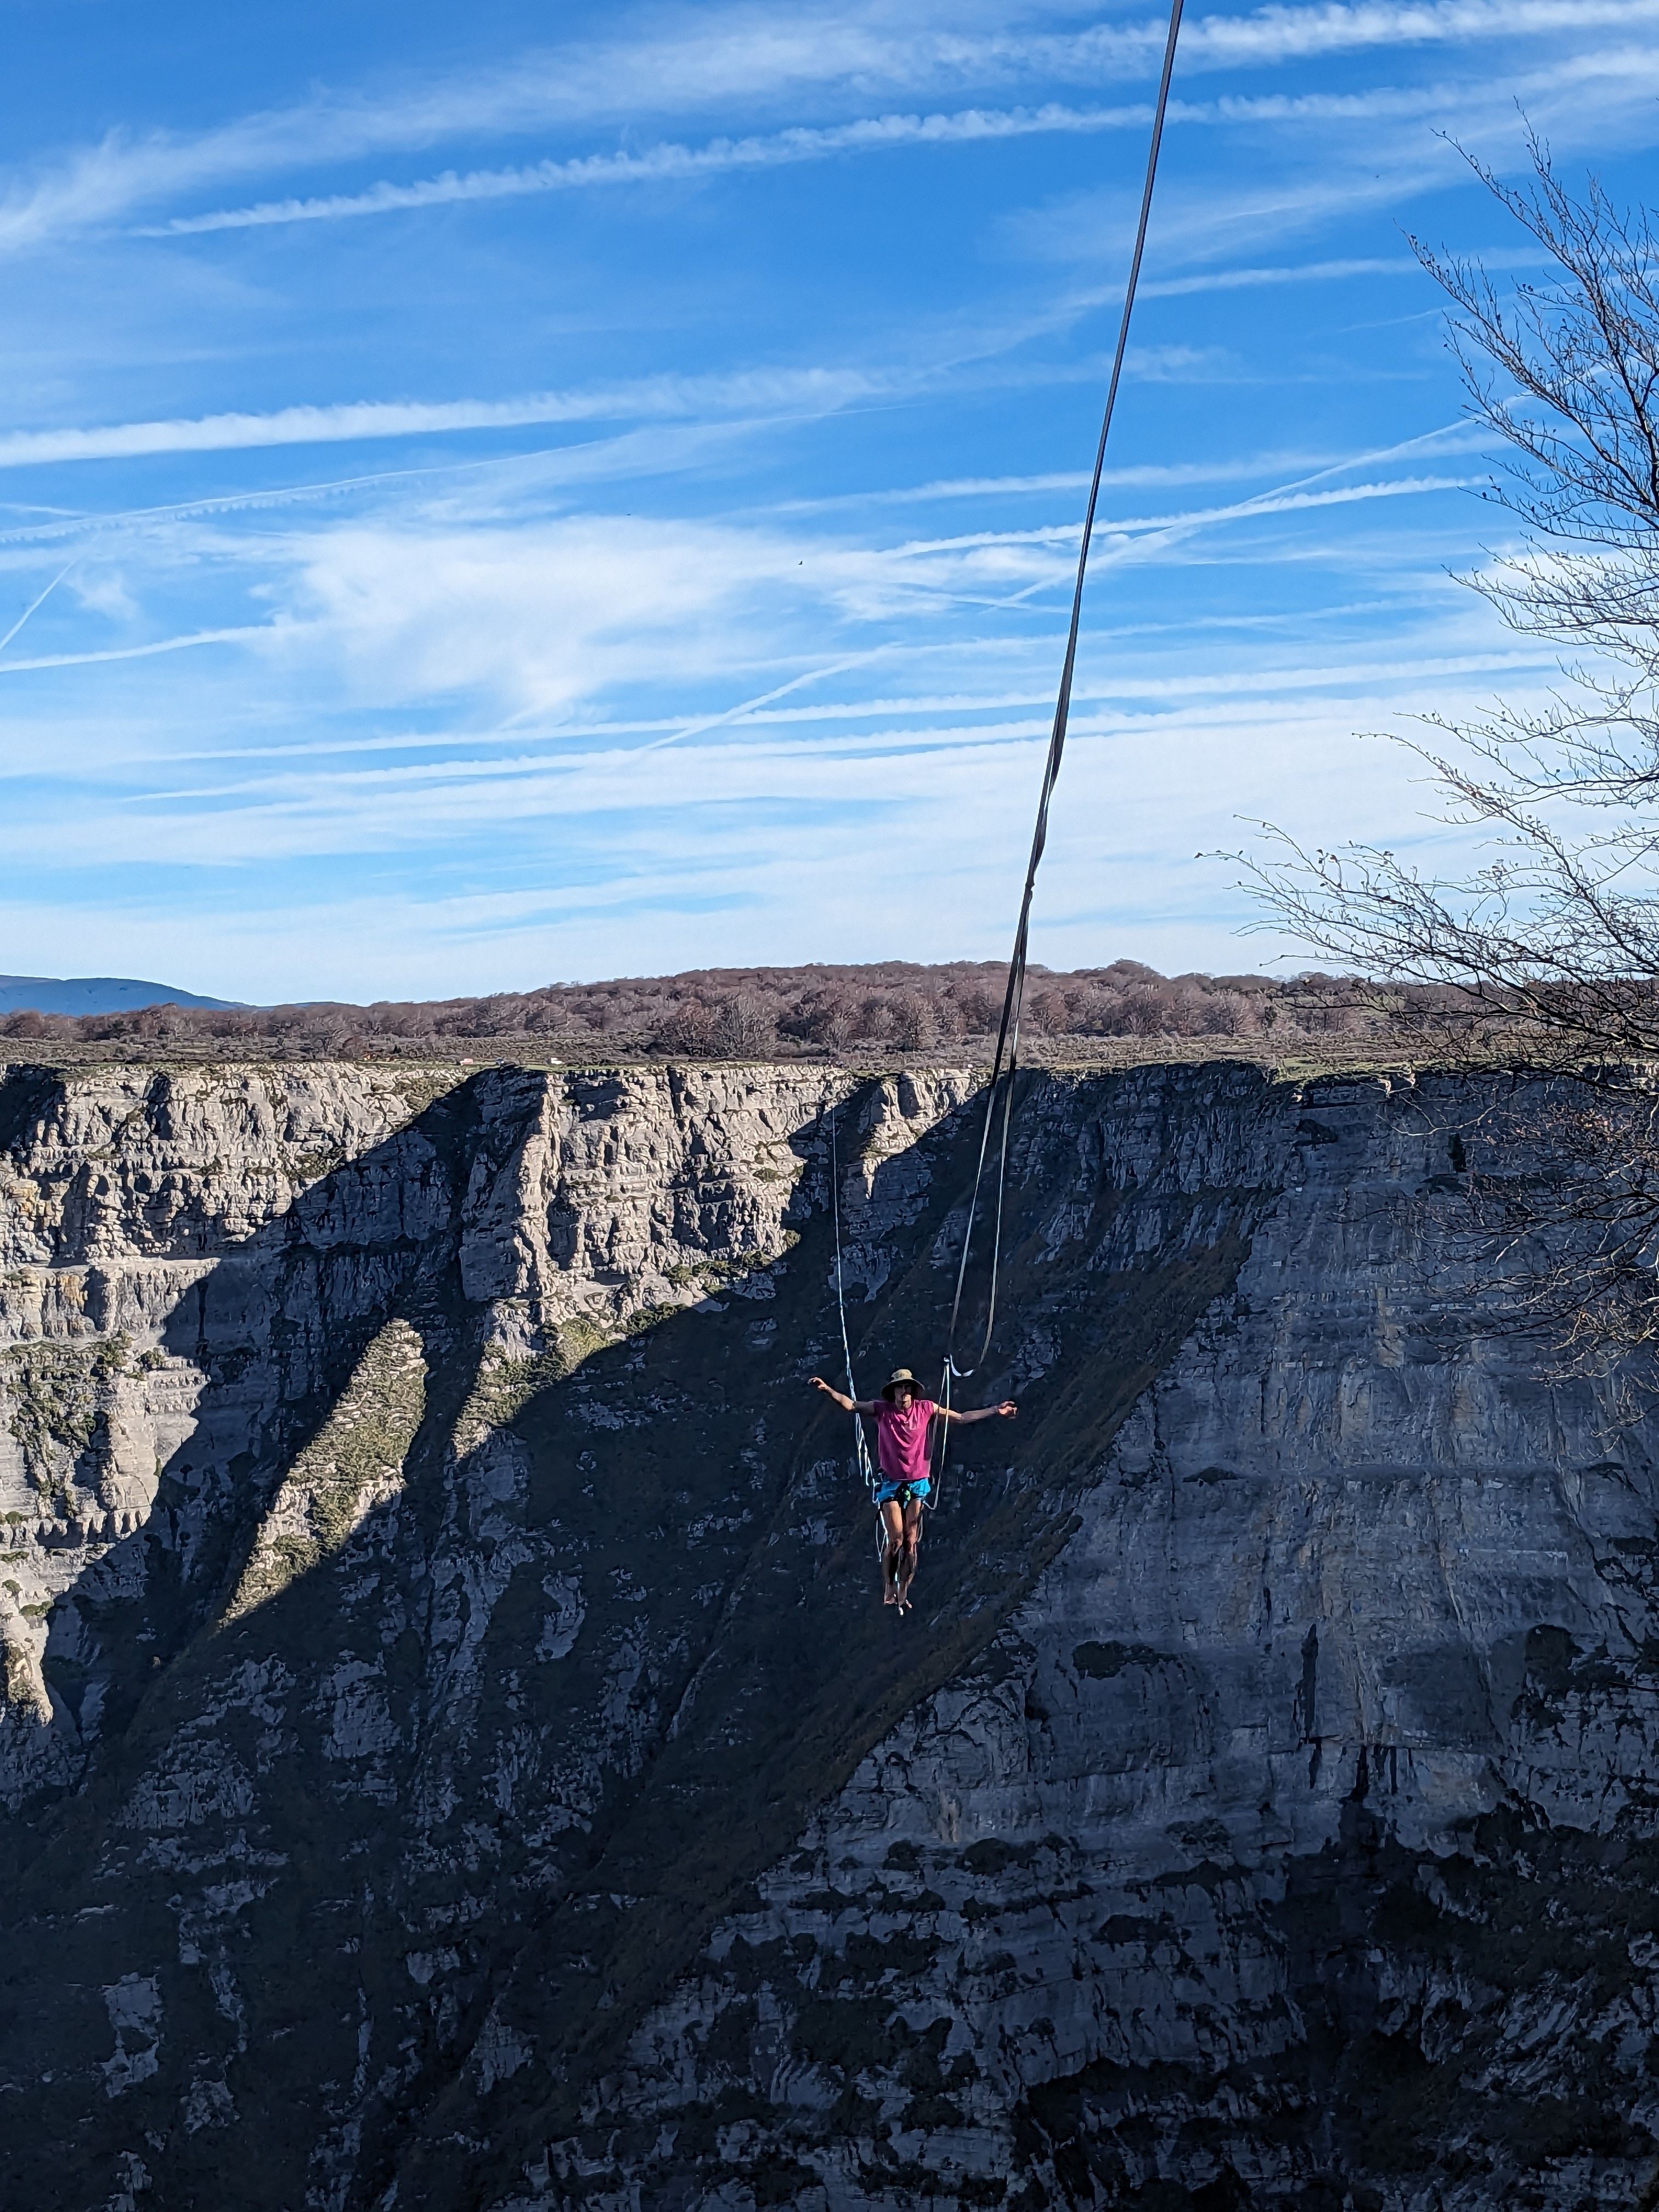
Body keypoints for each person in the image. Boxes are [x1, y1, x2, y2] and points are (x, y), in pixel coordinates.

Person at [809, 1368, 1018, 1613]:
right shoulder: (882, 1410)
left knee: (911, 1541)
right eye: (900, 1388)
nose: (904, 1392)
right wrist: (828, 1390)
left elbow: (962, 1417)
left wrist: (995, 1410)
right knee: (896, 1538)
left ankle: (903, 1590)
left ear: (913, 1391)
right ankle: (889, 1586)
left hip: (918, 1481)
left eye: (908, 1388)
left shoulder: (926, 1409)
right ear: (894, 1391)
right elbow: (852, 1405)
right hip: (891, 1482)